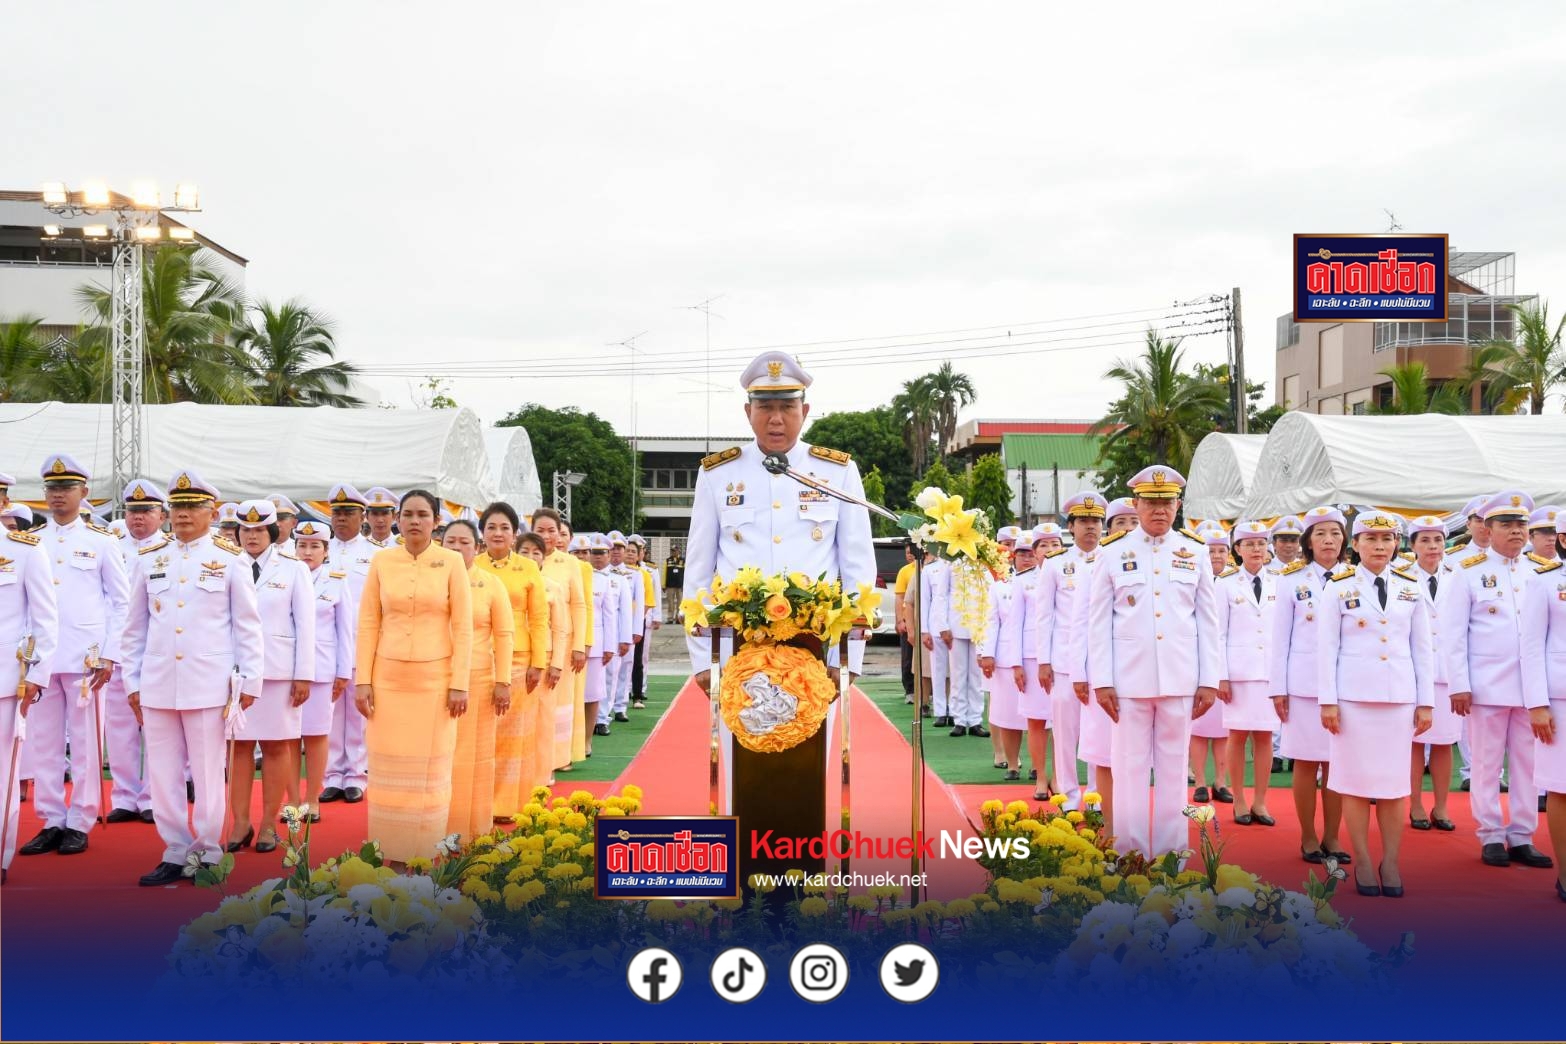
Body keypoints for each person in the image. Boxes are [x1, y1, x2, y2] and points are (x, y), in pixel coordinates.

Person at [121, 469, 264, 886]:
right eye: (177, 506)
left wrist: (250, 682)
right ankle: (174, 849)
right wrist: (133, 682)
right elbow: (133, 629)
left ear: (212, 512)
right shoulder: (149, 560)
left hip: (209, 684)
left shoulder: (231, 559)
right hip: (158, 682)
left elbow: (247, 626)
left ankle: (206, 850)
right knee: (163, 774)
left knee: (206, 772)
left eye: (192, 507)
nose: (183, 514)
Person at [1087, 466, 1220, 857]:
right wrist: (1102, 680)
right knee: (1127, 769)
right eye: (1151, 502)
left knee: (1174, 770)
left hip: (1180, 679)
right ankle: (1130, 854)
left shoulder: (1195, 551)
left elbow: (1208, 621)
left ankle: (1169, 856)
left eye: (1166, 502)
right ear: (1137, 505)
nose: (1159, 510)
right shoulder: (1113, 553)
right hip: (1128, 681)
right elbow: (1098, 623)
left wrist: (1210, 678)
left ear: (1178, 505)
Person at [1318, 511, 1435, 897]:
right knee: (1353, 784)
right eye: (1371, 539)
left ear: (1397, 544)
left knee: (1393, 785)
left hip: (1398, 700)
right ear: (1356, 545)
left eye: (1387, 540)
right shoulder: (1337, 586)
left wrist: (1426, 702)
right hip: (1352, 701)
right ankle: (1364, 859)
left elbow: (1422, 648)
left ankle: (1391, 861)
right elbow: (1327, 649)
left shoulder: (1410, 585)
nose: (1379, 547)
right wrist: (1328, 701)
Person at [355, 489, 473, 868]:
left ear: (436, 521)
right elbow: (369, 622)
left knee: (430, 768)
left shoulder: (452, 561)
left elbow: (463, 627)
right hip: (388, 681)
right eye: (407, 514)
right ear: (397, 519)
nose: (414, 521)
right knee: (389, 768)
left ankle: (424, 853)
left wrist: (459, 683)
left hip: (435, 682)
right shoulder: (381, 561)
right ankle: (388, 851)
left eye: (423, 514)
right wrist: (363, 679)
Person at [18, 453, 127, 858]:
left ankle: (80, 820)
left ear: (84, 493)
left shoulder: (101, 542)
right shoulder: (31, 542)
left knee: (84, 742)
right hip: (40, 658)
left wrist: (109, 654)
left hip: (86, 656)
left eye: (66, 489)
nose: (58, 496)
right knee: (43, 743)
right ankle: (50, 819)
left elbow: (121, 603)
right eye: (52, 489)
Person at [1441, 490, 1553, 869]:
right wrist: (1459, 683)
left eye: (1522, 524)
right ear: (1488, 528)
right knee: (1487, 764)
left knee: (1529, 764)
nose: (1517, 531)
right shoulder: (1468, 571)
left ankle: (1522, 834)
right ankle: (1490, 833)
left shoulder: (1540, 571)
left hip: (1532, 689)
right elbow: (1452, 634)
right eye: (1507, 524)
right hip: (1486, 686)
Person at [227, 500, 315, 854]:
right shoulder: (226, 565)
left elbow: (305, 625)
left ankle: (267, 824)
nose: (251, 536)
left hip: (280, 672)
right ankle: (239, 823)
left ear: (273, 532)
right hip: (236, 674)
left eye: (259, 529)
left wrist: (304, 675)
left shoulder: (294, 569)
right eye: (245, 530)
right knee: (238, 748)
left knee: (278, 747)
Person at [1271, 505, 1351, 864]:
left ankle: (1333, 836)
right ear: (1308, 541)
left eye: (1335, 533)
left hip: (1346, 687)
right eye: (1320, 533)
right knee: (1306, 763)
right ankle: (1308, 836)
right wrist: (1278, 688)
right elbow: (1279, 639)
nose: (1328, 540)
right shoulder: (1291, 580)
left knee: (1338, 764)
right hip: (1303, 686)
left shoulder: (1356, 577)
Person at [475, 502, 548, 819]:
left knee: (513, 735)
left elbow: (539, 617)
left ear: (515, 533)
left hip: (519, 659)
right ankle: (477, 801)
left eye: (505, 527)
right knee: (481, 732)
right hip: (479, 656)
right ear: (482, 533)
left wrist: (539, 662)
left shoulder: (528, 568)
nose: (498, 533)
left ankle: (507, 804)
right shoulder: (471, 566)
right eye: (491, 527)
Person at [442, 519, 513, 841]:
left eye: (464, 543)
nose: (456, 548)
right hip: (434, 679)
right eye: (450, 542)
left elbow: (504, 635)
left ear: (477, 548)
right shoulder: (431, 580)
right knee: (440, 755)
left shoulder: (491, 584)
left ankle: (472, 826)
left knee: (476, 757)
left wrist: (503, 681)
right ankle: (435, 824)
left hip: (479, 680)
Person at [102, 480, 168, 824]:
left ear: (162, 515)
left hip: (155, 653)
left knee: (156, 730)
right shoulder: (110, 547)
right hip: (117, 652)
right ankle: (125, 796)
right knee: (120, 729)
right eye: (132, 511)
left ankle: (152, 797)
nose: (138, 518)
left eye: (146, 511)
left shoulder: (169, 550)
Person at [1038, 491, 1106, 807]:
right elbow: (1045, 616)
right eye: (1084, 521)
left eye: (1096, 521)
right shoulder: (1055, 565)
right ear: (1072, 526)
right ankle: (1068, 793)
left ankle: (1094, 794)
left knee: (1099, 731)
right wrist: (1043, 661)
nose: (1091, 527)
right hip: (1064, 662)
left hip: (1102, 662)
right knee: (1065, 732)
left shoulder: (1113, 560)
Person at [0, 515, 57, 884]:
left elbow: (45, 618)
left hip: (4, 675)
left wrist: (36, 674)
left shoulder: (23, 550)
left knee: (2, 773)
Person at [286, 520, 353, 820]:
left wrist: (343, 671)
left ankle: (312, 799)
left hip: (322, 670)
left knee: (315, 735)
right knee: (286, 738)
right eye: (302, 545)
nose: (307, 551)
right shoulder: (284, 577)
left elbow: (345, 631)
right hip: (286, 670)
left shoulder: (336, 581)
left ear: (326, 551)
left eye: (314, 546)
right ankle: (292, 800)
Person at [1218, 520, 1278, 826]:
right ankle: (1239, 799)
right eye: (1249, 544)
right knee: (1238, 735)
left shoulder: (1280, 582)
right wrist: (1221, 675)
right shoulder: (1226, 584)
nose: (1256, 549)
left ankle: (1261, 801)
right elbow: (1219, 633)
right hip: (1238, 673)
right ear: (1237, 549)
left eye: (1260, 543)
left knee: (1265, 736)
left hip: (1270, 673)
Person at [1522, 512, 1566, 901]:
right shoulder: (1545, 583)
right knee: (1561, 787)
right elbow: (1531, 646)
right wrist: (1537, 703)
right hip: (1560, 699)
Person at [1405, 516, 1459, 831]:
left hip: (1448, 672)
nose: (1433, 547)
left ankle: (1441, 807)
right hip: (1414, 674)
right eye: (1425, 541)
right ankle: (1415, 806)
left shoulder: (1457, 575)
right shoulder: (1401, 577)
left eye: (1438, 540)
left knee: (1444, 742)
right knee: (1414, 742)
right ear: (1412, 546)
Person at [323, 482, 375, 805]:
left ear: (362, 516)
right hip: (327, 645)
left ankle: (355, 775)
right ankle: (331, 775)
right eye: (337, 513)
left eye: (349, 513)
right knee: (328, 714)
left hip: (360, 643)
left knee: (357, 714)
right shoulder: (318, 549)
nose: (342, 519)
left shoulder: (376, 555)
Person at [528, 508, 588, 772]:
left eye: (551, 530)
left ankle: (557, 758)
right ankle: (532, 758)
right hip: (531, 643)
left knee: (560, 702)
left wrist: (580, 646)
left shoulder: (570, 563)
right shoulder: (523, 558)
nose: (546, 535)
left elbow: (579, 604)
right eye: (540, 530)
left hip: (563, 644)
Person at [979, 539, 1037, 781]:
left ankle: (1037, 765)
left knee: (1039, 718)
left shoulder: (1047, 581)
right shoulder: (1000, 585)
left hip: (1035, 657)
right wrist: (987, 653)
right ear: (1014, 557)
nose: (1027, 558)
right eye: (1022, 553)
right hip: (1005, 659)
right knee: (1007, 715)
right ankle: (1012, 764)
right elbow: (991, 621)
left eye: (1031, 553)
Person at [517, 531, 571, 785]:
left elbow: (560, 629)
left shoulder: (552, 587)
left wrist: (557, 664)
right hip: (514, 657)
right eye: (524, 551)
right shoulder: (503, 582)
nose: (529, 556)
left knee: (543, 717)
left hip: (546, 658)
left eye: (535, 552)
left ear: (543, 558)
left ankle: (542, 771)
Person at [1189, 526, 1232, 803]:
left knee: (1223, 728)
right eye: (1211, 550)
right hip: (1196, 658)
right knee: (1199, 726)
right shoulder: (1192, 577)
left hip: (1226, 661)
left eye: (1221, 550)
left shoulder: (1234, 581)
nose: (1216, 556)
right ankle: (1201, 781)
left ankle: (1221, 781)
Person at [577, 534, 619, 757]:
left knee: (592, 695)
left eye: (587, 552)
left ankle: (586, 740)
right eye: (580, 552)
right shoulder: (563, 576)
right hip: (567, 645)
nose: (584, 556)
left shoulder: (602, 580)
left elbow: (609, 615)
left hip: (594, 646)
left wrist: (609, 646)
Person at [627, 534, 660, 710]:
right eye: (628, 551)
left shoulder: (646, 572)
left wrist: (655, 616)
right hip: (620, 623)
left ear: (641, 553)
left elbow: (651, 598)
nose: (630, 554)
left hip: (639, 620)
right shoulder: (614, 571)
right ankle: (622, 695)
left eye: (634, 551)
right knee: (622, 661)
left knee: (639, 658)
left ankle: (638, 692)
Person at [921, 551, 953, 728]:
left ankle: (956, 711)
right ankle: (940, 711)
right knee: (938, 670)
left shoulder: (963, 567)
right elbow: (924, 601)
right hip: (935, 626)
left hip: (958, 626)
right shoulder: (930, 569)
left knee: (958, 672)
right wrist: (924, 630)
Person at [895, 543, 918, 705]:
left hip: (925, 620)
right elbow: (900, 598)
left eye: (912, 552)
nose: (909, 555)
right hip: (908, 619)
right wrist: (900, 620)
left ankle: (927, 691)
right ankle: (910, 690)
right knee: (908, 658)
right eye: (907, 552)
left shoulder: (929, 568)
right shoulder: (905, 571)